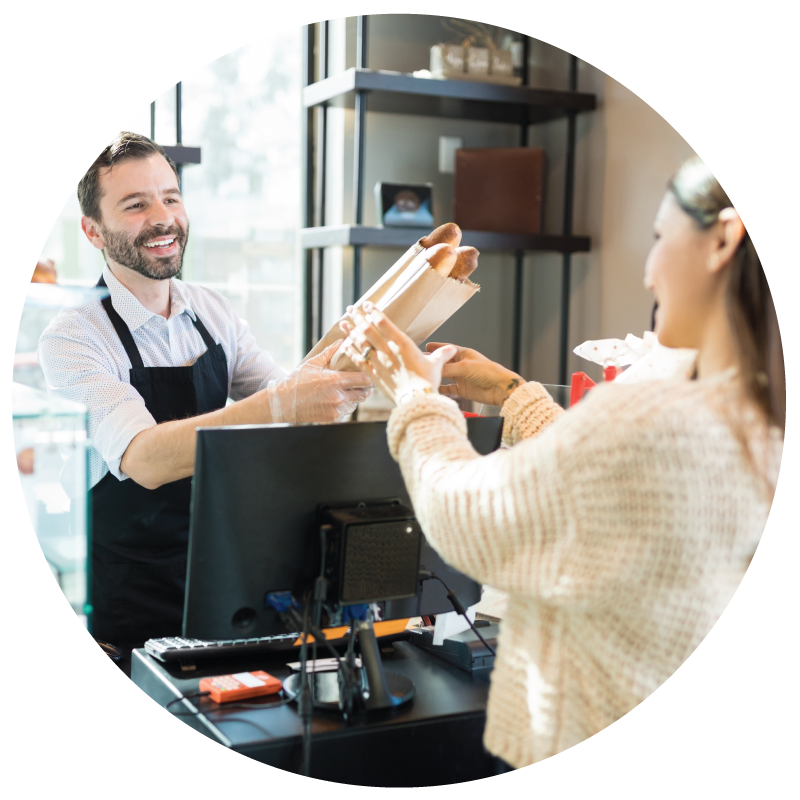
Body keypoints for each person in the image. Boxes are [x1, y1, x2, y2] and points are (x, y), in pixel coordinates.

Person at [339, 156, 784, 768]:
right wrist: (512, 393)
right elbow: (598, 491)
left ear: (724, 241)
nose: (650, 273)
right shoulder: (749, 417)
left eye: (658, 239)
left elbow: (467, 516)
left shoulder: (658, 416)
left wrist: (414, 396)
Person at [38, 132, 371, 647]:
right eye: (135, 205)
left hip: (224, 572)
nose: (163, 218)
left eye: (171, 198)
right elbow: (145, 458)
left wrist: (346, 368)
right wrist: (284, 402)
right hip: (130, 596)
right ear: (93, 230)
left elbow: (286, 401)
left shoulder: (212, 311)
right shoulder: (74, 336)